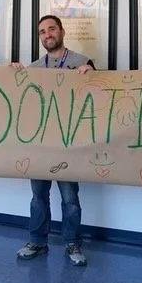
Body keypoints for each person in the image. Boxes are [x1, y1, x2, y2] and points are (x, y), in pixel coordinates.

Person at [11, 15, 95, 266]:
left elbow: (98, 98)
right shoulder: (34, 68)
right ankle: (37, 241)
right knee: (38, 196)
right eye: (42, 32)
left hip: (69, 145)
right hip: (40, 145)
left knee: (69, 198)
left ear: (61, 31)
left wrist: (92, 74)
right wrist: (14, 75)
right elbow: (21, 102)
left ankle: (72, 243)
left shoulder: (82, 62)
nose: (47, 34)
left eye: (51, 29)